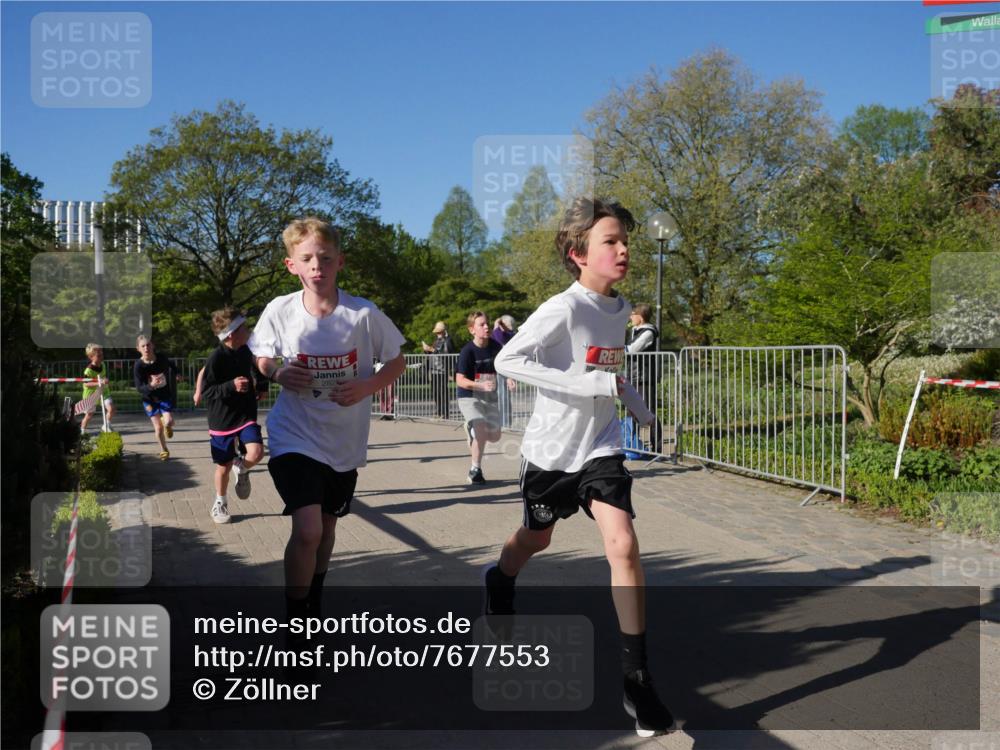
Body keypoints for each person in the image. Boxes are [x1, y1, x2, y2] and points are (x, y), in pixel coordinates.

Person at [489, 197, 676, 737]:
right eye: (611, 242)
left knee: (623, 544)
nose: (624, 250)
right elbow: (508, 360)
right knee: (535, 539)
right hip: (551, 454)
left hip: (600, 445)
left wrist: (644, 414)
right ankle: (499, 579)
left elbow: (613, 374)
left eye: (625, 241)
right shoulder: (563, 308)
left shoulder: (619, 310)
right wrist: (585, 382)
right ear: (578, 254)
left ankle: (636, 680)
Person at [249, 217, 405, 623]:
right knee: (308, 530)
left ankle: (313, 598)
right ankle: (296, 622)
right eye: (307, 259)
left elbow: (396, 359)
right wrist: (277, 372)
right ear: (292, 266)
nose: (317, 265)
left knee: (327, 530)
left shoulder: (362, 314)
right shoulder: (279, 311)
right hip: (294, 435)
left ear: (340, 262)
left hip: (343, 444)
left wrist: (367, 387)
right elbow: (262, 356)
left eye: (326, 258)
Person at [201, 308, 269, 524]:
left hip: (245, 413)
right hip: (222, 420)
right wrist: (231, 386)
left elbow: (257, 369)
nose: (248, 331)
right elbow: (207, 391)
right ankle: (219, 503)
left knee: (257, 452)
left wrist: (263, 385)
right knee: (224, 466)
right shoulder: (216, 358)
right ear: (231, 334)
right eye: (243, 328)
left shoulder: (246, 351)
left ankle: (243, 467)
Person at [455, 311, 508, 484]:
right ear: (472, 330)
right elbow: (460, 380)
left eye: (487, 323)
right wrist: (480, 385)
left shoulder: (495, 346)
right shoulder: (467, 351)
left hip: (489, 397)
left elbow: (505, 365)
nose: (486, 327)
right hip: (469, 396)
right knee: (480, 427)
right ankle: (475, 470)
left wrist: (510, 378)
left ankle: (470, 429)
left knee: (494, 436)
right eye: (481, 324)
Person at [625, 303, 662, 454]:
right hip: (632, 376)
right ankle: (633, 445)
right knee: (631, 411)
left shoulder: (648, 332)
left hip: (645, 377)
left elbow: (632, 349)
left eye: (633, 314)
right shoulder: (633, 330)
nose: (630, 317)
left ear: (640, 317)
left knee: (648, 411)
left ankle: (657, 447)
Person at [134, 335, 177, 460]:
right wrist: (151, 385)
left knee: (168, 421)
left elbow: (171, 363)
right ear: (138, 349)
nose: (146, 348)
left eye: (148, 345)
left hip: (164, 395)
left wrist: (177, 372)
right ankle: (164, 449)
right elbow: (139, 388)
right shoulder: (139, 366)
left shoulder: (161, 358)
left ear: (153, 345)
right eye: (143, 346)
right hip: (149, 399)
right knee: (158, 428)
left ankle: (167, 424)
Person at [80, 343, 116, 434]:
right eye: (98, 355)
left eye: (102, 354)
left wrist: (105, 380)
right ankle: (82, 432)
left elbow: (103, 377)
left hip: (104, 391)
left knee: (111, 409)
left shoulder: (103, 365)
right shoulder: (88, 370)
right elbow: (86, 383)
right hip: (90, 394)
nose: (101, 357)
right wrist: (99, 382)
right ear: (91, 357)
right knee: (89, 415)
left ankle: (106, 425)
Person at [422, 321, 454, 419]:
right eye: (437, 332)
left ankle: (445, 413)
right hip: (434, 369)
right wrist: (427, 350)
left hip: (442, 369)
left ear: (444, 331)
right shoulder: (436, 341)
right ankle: (439, 411)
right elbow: (433, 354)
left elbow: (447, 355)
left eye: (439, 332)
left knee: (442, 391)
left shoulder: (448, 341)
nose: (438, 334)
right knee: (436, 391)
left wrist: (433, 350)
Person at [492, 315, 517, 428]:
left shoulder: (510, 335)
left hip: (505, 369)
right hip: (500, 369)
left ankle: (505, 423)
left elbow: (498, 337)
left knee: (503, 396)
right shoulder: (510, 334)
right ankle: (503, 422)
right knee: (500, 396)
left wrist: (497, 325)